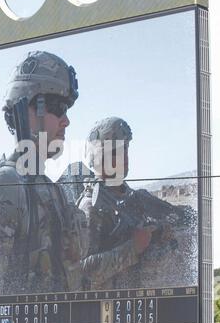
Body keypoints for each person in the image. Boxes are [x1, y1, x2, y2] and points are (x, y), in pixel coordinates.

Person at [0, 51, 87, 296]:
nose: (66, 121)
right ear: (24, 108)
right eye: (56, 107)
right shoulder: (8, 183)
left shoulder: (54, 190)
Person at [77, 117, 198, 290]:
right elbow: (83, 271)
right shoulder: (91, 206)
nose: (124, 156)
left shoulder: (136, 197)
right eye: (115, 151)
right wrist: (133, 247)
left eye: (125, 148)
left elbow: (182, 216)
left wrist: (160, 230)